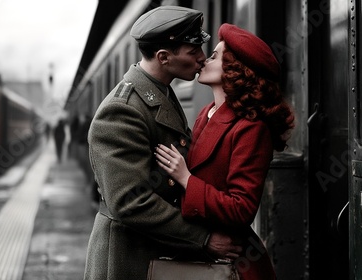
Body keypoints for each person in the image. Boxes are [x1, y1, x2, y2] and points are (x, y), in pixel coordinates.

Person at [84, 7, 243, 280]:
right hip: (127, 259)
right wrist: (203, 238)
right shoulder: (122, 111)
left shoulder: (159, 92)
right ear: (164, 57)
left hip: (152, 250)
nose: (202, 59)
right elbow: (130, 202)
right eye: (193, 52)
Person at [155, 23, 295, 279]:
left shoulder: (252, 128)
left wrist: (186, 179)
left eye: (215, 56)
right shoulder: (204, 115)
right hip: (201, 252)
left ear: (234, 70)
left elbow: (242, 208)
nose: (205, 59)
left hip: (232, 263)